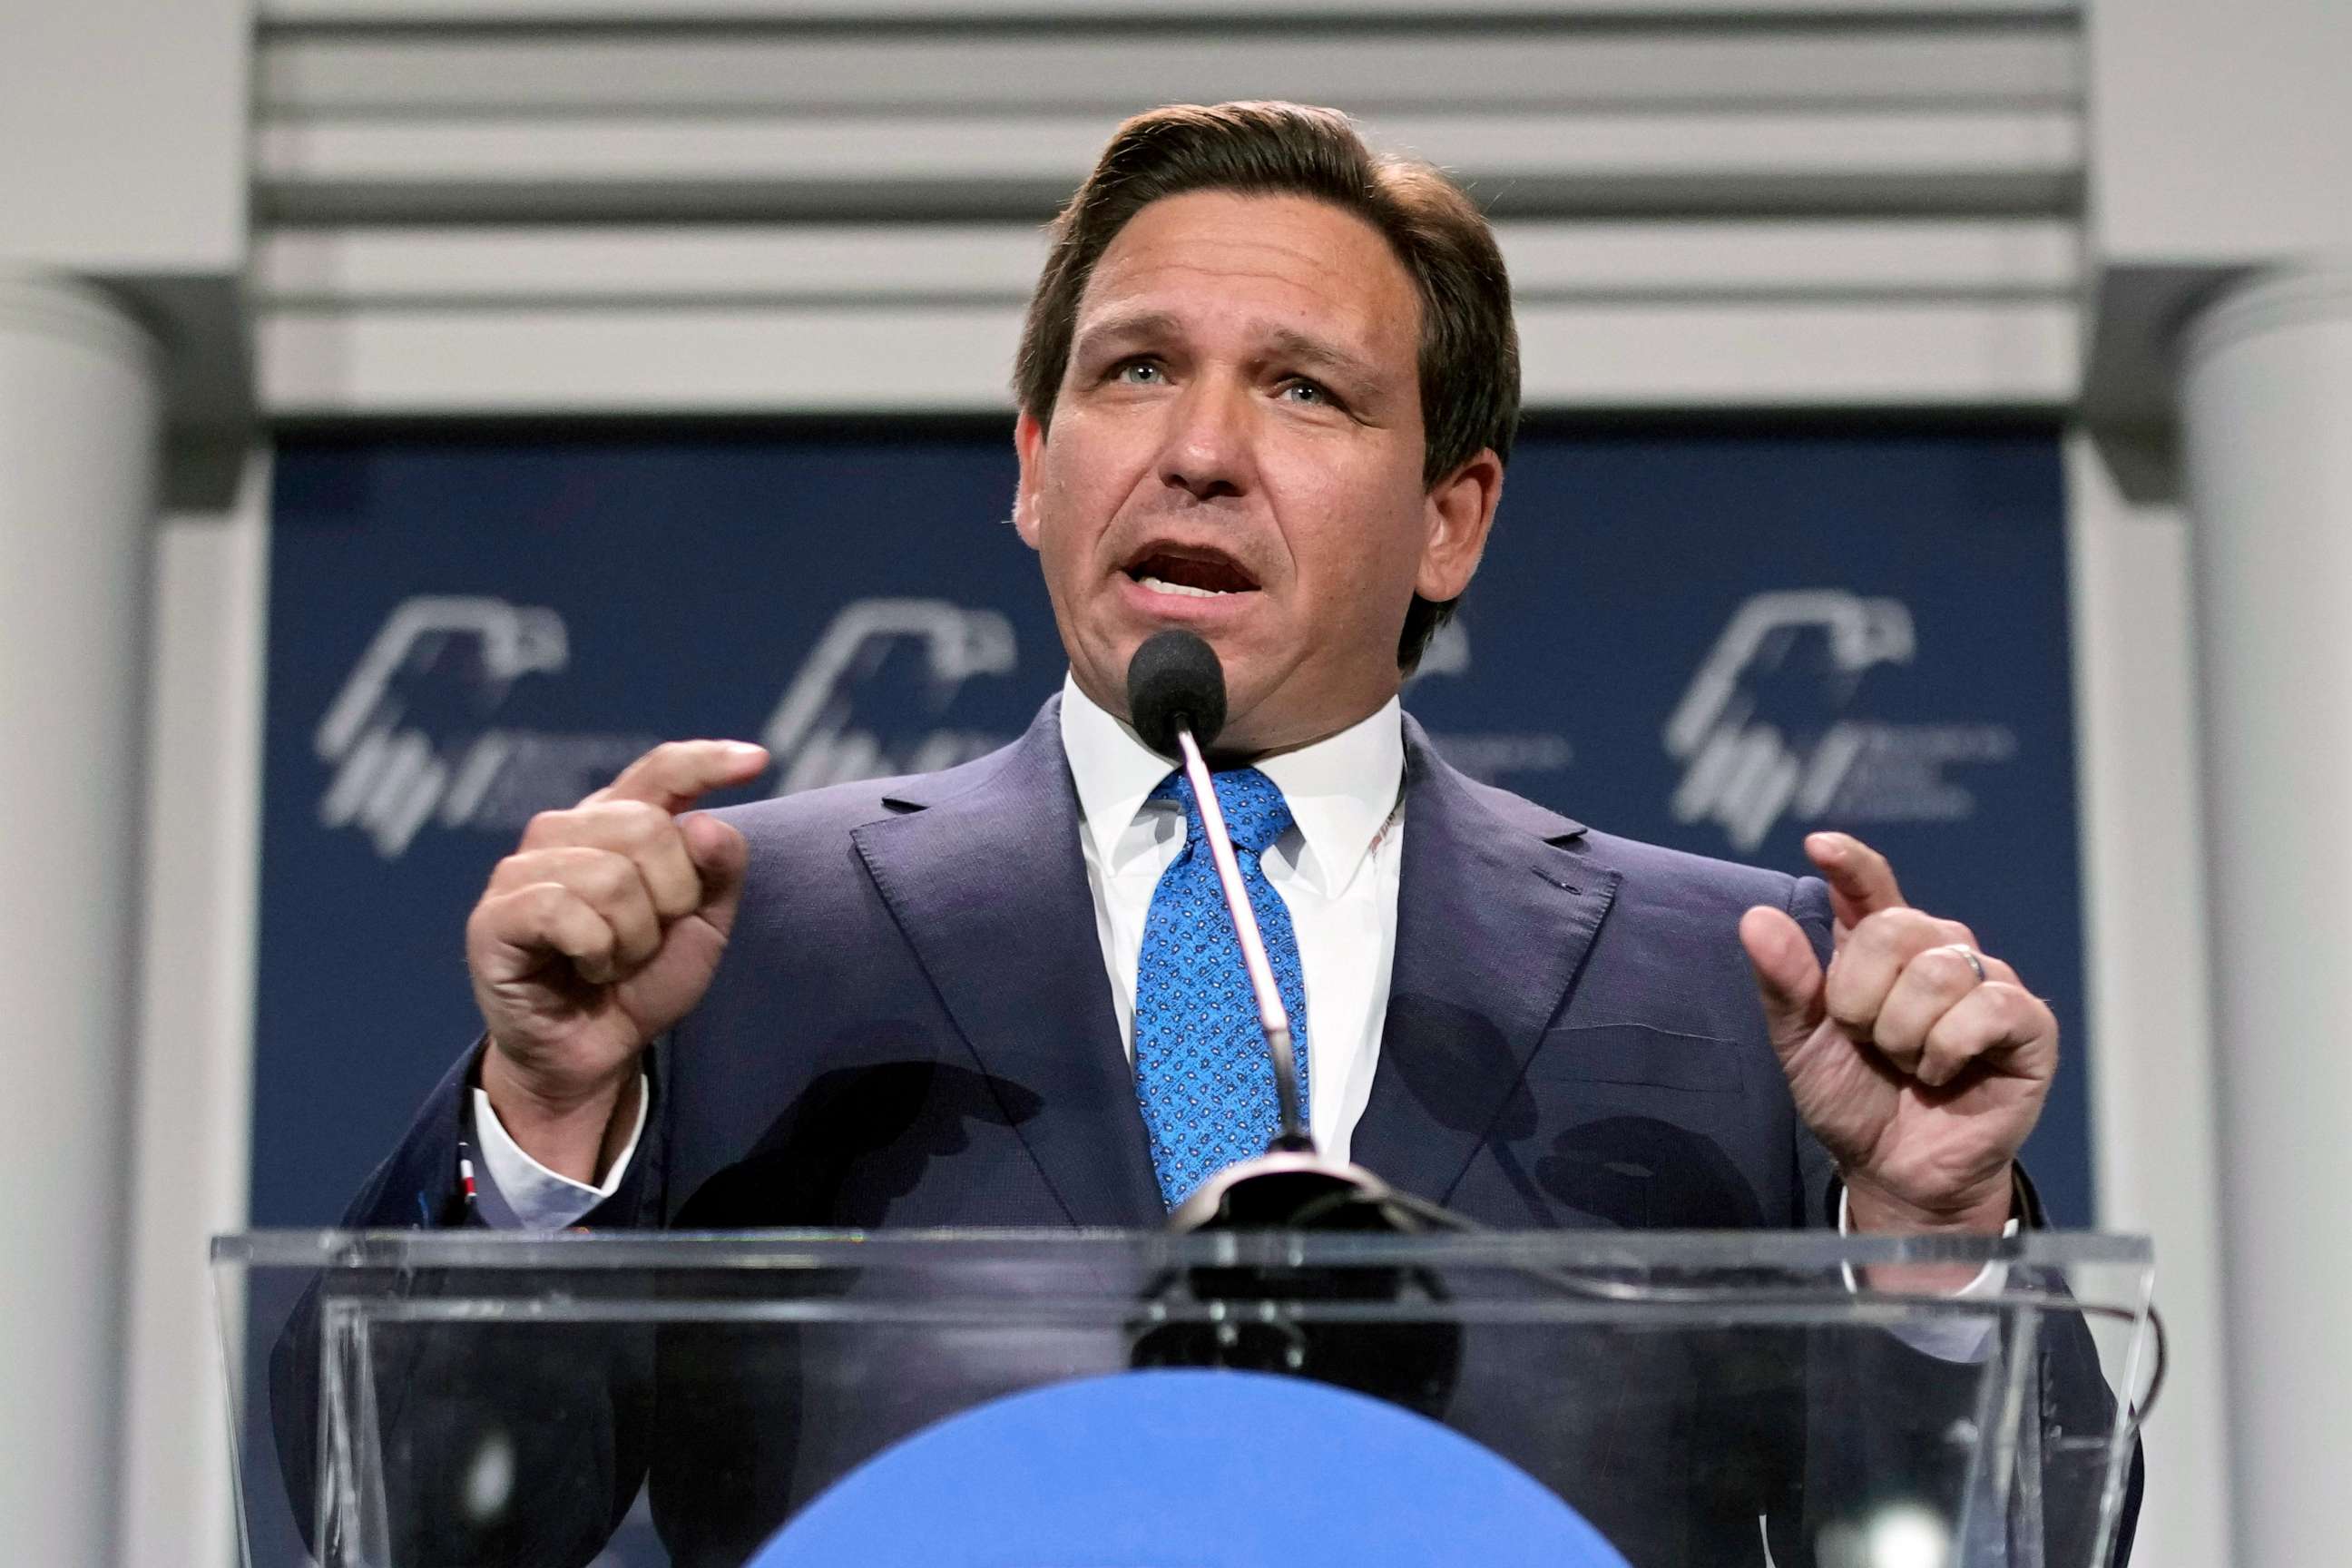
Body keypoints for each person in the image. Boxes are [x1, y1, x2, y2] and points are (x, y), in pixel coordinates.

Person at [293, 102, 2135, 1566]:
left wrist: (1926, 1238)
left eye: (1304, 389)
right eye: (1132, 371)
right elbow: (404, 1518)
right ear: (1034, 468)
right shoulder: (740, 934)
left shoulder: (1737, 985)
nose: (1197, 449)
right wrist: (543, 1116)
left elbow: (2004, 1547)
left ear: (1451, 521)